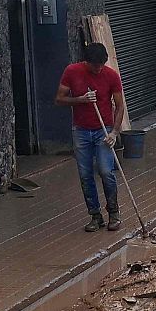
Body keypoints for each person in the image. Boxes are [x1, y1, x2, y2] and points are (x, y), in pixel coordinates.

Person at [55, 43, 125, 232]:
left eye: (101, 64)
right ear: (87, 62)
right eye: (95, 65)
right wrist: (80, 100)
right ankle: (95, 215)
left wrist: (114, 132)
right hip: (81, 130)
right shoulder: (72, 71)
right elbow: (59, 99)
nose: (99, 69)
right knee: (85, 175)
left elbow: (119, 106)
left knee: (106, 171)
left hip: (104, 130)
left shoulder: (111, 75)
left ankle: (114, 212)